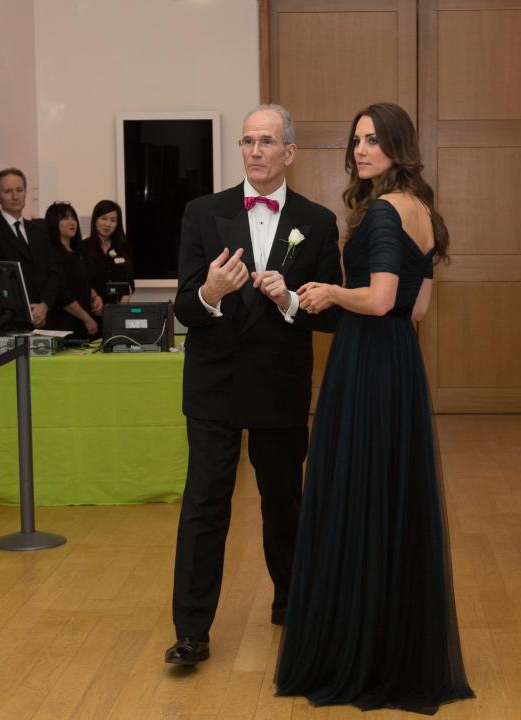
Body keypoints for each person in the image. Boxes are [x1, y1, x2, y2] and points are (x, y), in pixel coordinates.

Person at [275, 102, 474, 714]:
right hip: (400, 367)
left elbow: (384, 296)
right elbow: (415, 310)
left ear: (397, 147)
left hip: (364, 369)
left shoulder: (384, 211)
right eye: (357, 140)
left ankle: (358, 651)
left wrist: (332, 291)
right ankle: (396, 645)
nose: (361, 151)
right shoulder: (425, 213)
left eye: (373, 141)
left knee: (356, 494)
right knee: (389, 496)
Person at [166, 104, 342, 665]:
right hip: (214, 385)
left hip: (278, 384)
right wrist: (210, 292)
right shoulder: (201, 212)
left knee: (283, 502)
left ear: (288, 152)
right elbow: (183, 307)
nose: (255, 151)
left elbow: (332, 313)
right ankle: (191, 631)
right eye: (247, 141)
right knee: (204, 506)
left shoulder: (316, 222)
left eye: (267, 142)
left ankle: (293, 606)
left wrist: (290, 298)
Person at [0, 168, 58, 336]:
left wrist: (44, 305)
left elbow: (54, 272)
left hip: (42, 323)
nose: (15, 196)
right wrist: (26, 308)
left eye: (19, 190)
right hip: (5, 323)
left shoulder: (40, 231)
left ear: (25, 192)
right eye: (8, 191)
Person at [44, 202, 102, 339]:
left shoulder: (79, 252)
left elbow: (85, 281)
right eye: (65, 218)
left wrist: (95, 296)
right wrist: (87, 319)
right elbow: (62, 295)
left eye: (73, 218)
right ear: (53, 223)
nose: (72, 222)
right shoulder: (51, 254)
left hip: (84, 324)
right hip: (64, 326)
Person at [84, 200, 135, 305]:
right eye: (103, 218)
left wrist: (119, 310)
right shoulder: (84, 247)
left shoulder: (124, 248)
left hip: (118, 309)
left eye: (113, 220)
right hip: (91, 309)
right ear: (95, 220)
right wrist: (94, 298)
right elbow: (81, 281)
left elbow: (129, 283)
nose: (108, 224)